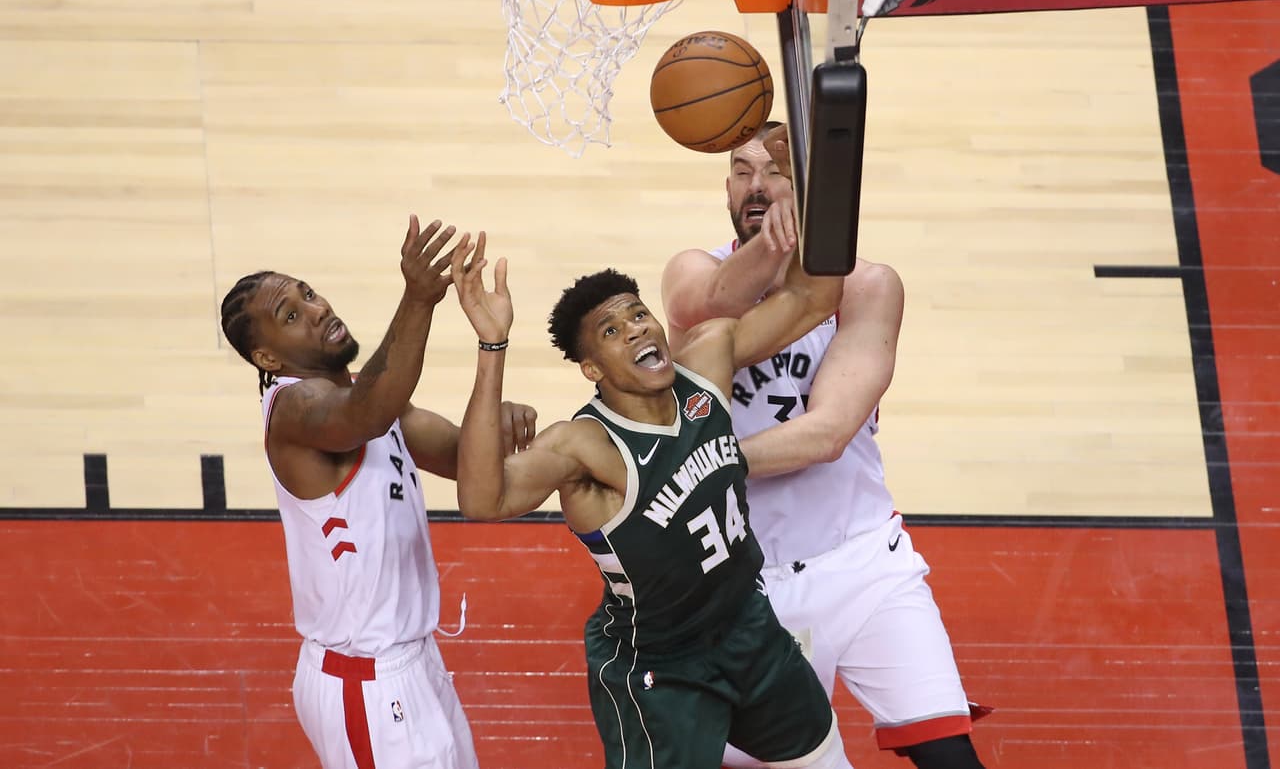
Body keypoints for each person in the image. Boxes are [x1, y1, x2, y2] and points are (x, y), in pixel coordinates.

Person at [446, 230, 853, 769]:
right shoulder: (585, 445)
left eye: (638, 315)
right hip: (662, 668)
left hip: (748, 627)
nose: (635, 330)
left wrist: (811, 188)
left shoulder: (706, 362)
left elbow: (815, 298)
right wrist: (493, 346)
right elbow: (481, 499)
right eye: (611, 331)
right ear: (593, 369)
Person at [660, 123, 987, 769]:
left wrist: (700, 464)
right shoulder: (690, 272)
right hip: (744, 584)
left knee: (952, 758)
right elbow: (714, 300)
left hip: (864, 562)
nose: (756, 187)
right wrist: (782, 238)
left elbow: (828, 433)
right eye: (740, 170)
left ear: (808, 184)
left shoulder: (870, 285)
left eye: (774, 171)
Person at [219, 216, 538, 769]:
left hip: (415, 665)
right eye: (291, 316)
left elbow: (469, 462)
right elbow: (366, 410)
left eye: (309, 293)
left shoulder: (371, 403)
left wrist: (494, 369)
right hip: (363, 684)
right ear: (268, 359)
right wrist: (418, 299)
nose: (318, 310)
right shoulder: (296, 413)